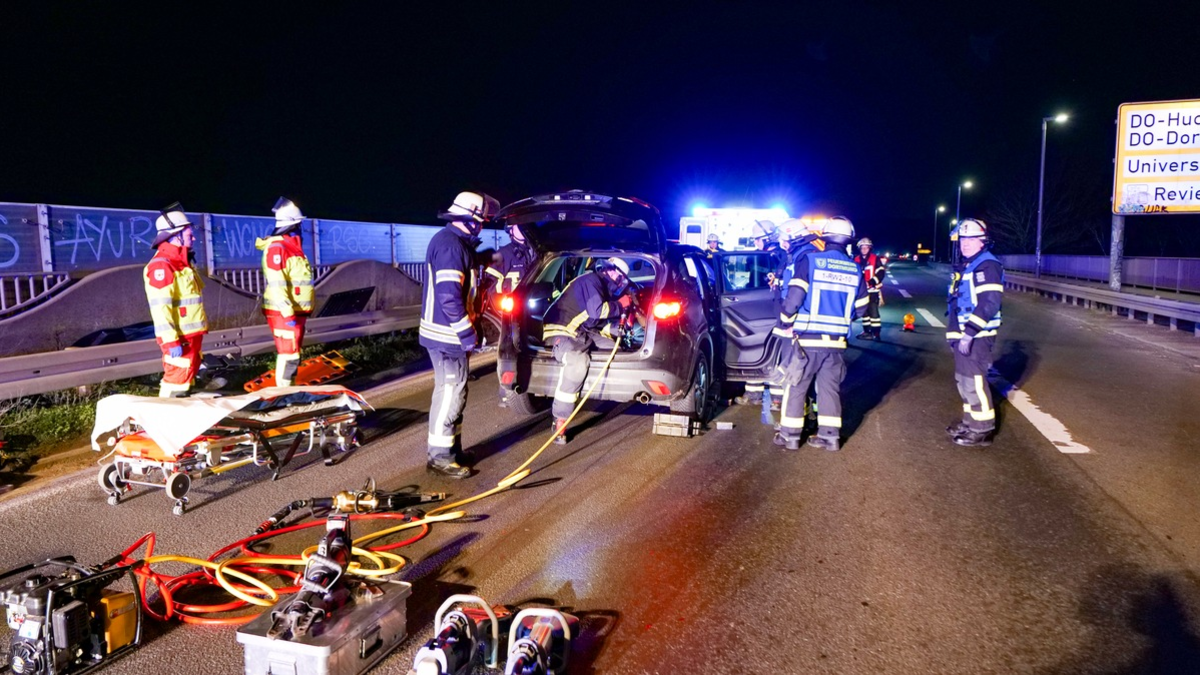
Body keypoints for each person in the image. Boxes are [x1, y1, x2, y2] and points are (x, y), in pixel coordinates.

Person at [419, 191, 499, 478]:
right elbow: (450, 298)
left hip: (447, 336)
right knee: (450, 393)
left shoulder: (455, 244)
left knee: (457, 392)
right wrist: (468, 335)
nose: (483, 225)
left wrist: (483, 259)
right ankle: (439, 457)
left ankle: (452, 449)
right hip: (446, 337)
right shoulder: (452, 247)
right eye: (482, 220)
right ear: (472, 219)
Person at [773, 217, 869, 451]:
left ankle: (790, 436)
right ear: (849, 240)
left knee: (796, 386)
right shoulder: (855, 268)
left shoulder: (811, 261)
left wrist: (785, 320)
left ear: (824, 237)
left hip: (808, 339)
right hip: (837, 342)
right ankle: (829, 437)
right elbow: (863, 306)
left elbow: (795, 296)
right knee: (829, 388)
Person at [542, 257, 633, 444]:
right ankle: (560, 420)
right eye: (619, 275)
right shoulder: (592, 280)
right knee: (577, 362)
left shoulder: (602, 288)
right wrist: (621, 305)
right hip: (561, 330)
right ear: (609, 270)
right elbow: (597, 312)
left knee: (615, 350)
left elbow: (596, 324)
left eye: (622, 278)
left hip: (581, 332)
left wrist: (620, 330)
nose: (619, 281)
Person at [945, 218, 1004, 447]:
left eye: (971, 239)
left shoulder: (987, 265)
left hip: (977, 336)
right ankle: (970, 421)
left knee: (973, 381)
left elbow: (990, 302)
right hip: (964, 334)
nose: (966, 243)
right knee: (963, 380)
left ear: (983, 242)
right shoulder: (970, 265)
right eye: (963, 239)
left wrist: (969, 333)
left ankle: (982, 429)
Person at [144, 203, 207, 398]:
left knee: (185, 380)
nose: (194, 237)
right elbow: (160, 309)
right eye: (189, 234)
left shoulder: (182, 263)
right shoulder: (162, 266)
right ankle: (164, 423)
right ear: (175, 235)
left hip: (190, 336)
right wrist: (171, 342)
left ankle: (179, 422)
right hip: (179, 338)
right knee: (176, 381)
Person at [256, 197, 314, 387]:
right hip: (283, 312)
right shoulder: (277, 248)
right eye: (299, 224)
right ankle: (284, 394)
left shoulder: (292, 247)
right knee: (289, 354)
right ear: (292, 225)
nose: (301, 228)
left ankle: (290, 390)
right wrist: (287, 311)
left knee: (293, 353)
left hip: (295, 312)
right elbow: (277, 283)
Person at [485, 221, 537, 406]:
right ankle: (506, 391)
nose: (522, 228)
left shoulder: (536, 251)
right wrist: (502, 305)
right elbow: (490, 286)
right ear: (510, 230)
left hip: (532, 311)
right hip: (511, 313)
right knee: (509, 349)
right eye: (517, 226)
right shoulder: (503, 255)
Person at [733, 220, 782, 407]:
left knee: (774, 354)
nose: (755, 243)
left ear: (768, 238)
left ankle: (776, 398)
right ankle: (755, 395)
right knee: (756, 351)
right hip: (765, 309)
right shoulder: (768, 256)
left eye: (757, 240)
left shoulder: (775, 257)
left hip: (771, 310)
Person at [854, 237, 886, 340]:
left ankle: (876, 333)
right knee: (864, 313)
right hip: (861, 291)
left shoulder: (875, 259)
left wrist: (872, 281)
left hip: (872, 291)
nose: (864, 249)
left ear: (869, 248)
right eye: (862, 247)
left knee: (873, 312)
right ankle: (867, 332)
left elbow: (881, 272)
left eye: (866, 247)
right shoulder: (856, 259)